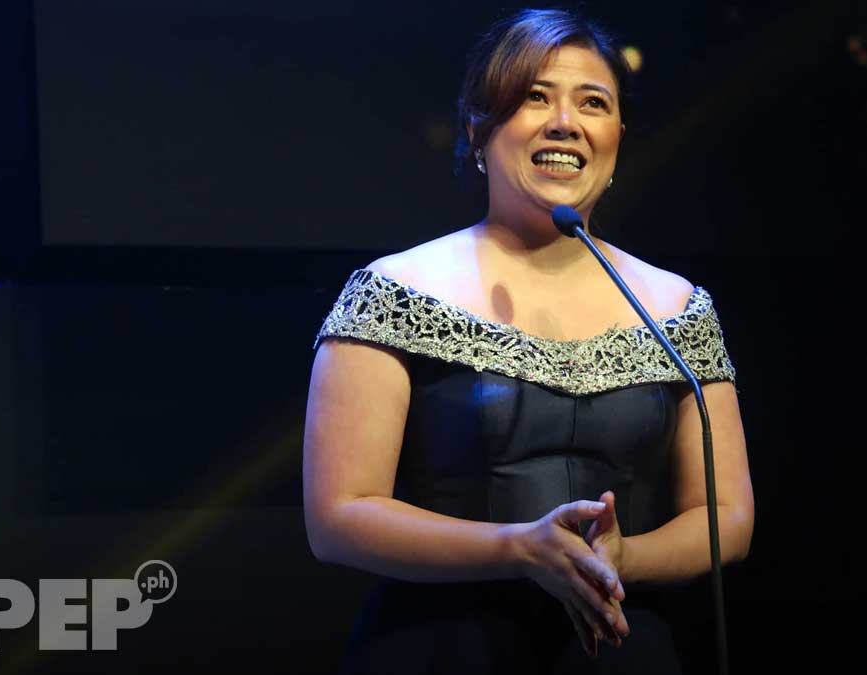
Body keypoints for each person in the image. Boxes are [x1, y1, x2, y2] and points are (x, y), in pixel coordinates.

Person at [303, 8, 753, 674]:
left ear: (617, 137)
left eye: (593, 102)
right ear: (477, 130)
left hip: (621, 649)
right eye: (535, 96)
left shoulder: (677, 305)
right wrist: (519, 547)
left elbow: (727, 516)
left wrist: (624, 558)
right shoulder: (393, 289)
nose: (565, 121)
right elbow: (338, 517)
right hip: (440, 648)